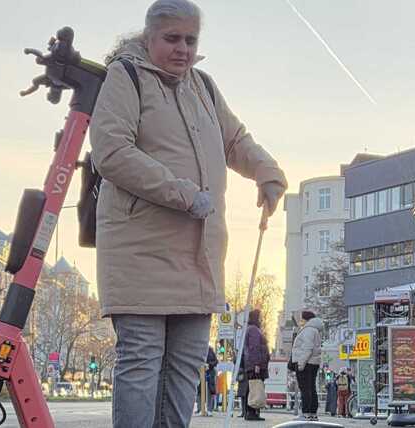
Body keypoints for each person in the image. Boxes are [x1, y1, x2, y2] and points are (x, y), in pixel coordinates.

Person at [90, 1, 288, 425]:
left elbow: (236, 140)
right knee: (141, 361)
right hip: (140, 251)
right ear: (149, 37)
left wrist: (267, 172)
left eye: (191, 40)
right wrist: (183, 194)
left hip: (200, 255)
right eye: (172, 38)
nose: (183, 49)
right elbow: (111, 152)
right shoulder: (125, 77)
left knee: (185, 367)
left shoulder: (204, 87)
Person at [291, 310, 324, 421]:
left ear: (306, 319)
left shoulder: (308, 330)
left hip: (306, 363)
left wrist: (301, 363)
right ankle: (312, 413)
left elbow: (307, 348)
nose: (300, 321)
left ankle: (305, 413)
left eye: (302, 319)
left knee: (305, 389)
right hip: (313, 363)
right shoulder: (315, 330)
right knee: (311, 388)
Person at [239, 309, 269, 421]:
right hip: (255, 364)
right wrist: (257, 364)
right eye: (260, 317)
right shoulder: (254, 330)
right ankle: (252, 412)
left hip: (252, 363)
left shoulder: (251, 329)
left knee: (252, 386)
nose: (261, 319)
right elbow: (254, 348)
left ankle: (251, 412)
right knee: (254, 387)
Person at [196, 346, 218, 414]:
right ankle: (200, 409)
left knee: (210, 390)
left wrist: (209, 365)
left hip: (210, 372)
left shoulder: (210, 350)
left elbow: (216, 361)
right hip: (200, 372)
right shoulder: (197, 349)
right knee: (199, 391)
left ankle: (209, 409)